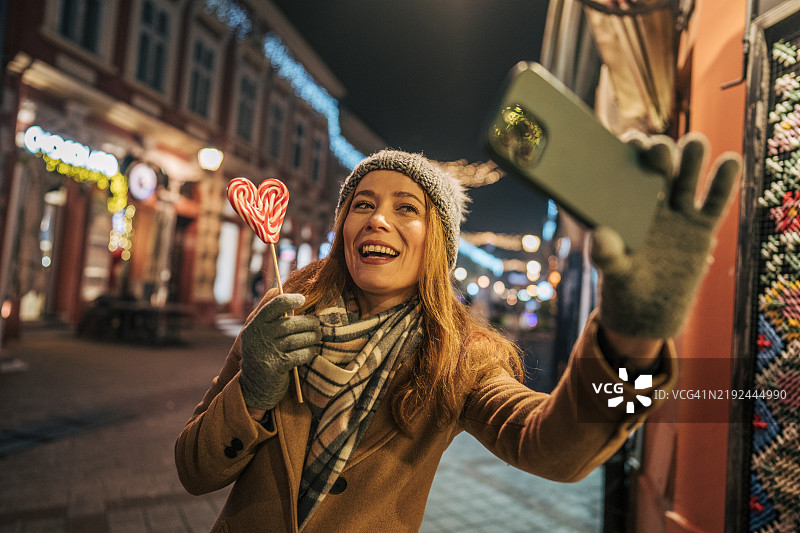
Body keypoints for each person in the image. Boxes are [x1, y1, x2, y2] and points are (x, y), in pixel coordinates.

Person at [175, 134, 740, 533]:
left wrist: (632, 343)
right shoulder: (283, 315)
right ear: (342, 226)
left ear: (437, 244)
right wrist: (252, 390)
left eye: (407, 208)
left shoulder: (460, 357)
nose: (377, 219)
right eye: (362, 204)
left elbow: (555, 451)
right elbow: (194, 469)